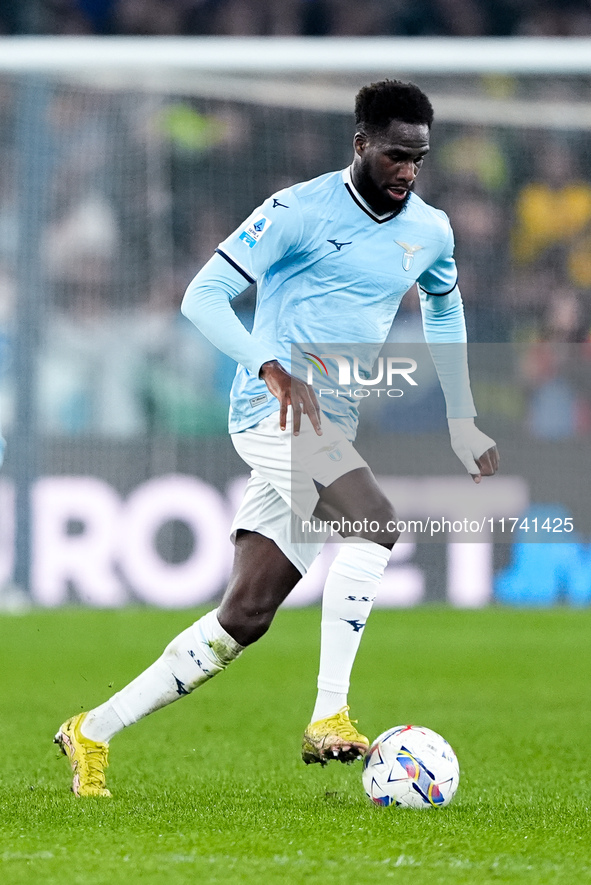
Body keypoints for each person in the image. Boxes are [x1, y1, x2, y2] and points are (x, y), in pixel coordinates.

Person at [54, 79, 499, 797]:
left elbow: (444, 311)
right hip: (275, 412)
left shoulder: (431, 230)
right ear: (360, 143)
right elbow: (202, 295)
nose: (407, 172)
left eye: (418, 158)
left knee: (244, 617)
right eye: (394, 155)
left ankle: (91, 730)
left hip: (334, 421)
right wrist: (266, 363)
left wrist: (460, 416)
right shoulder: (295, 211)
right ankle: (330, 713)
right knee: (374, 523)